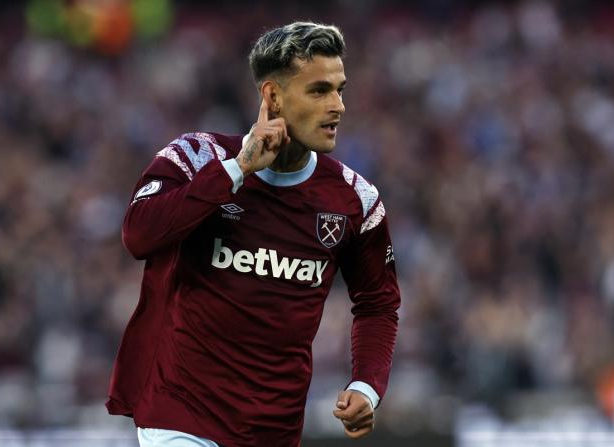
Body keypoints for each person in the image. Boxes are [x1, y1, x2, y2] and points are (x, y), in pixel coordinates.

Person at [106, 22, 401, 447]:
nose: (337, 106)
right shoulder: (196, 157)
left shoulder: (357, 201)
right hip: (180, 414)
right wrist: (236, 170)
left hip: (274, 430)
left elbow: (378, 304)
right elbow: (139, 235)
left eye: (340, 89)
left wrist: (367, 385)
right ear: (272, 96)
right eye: (318, 91)